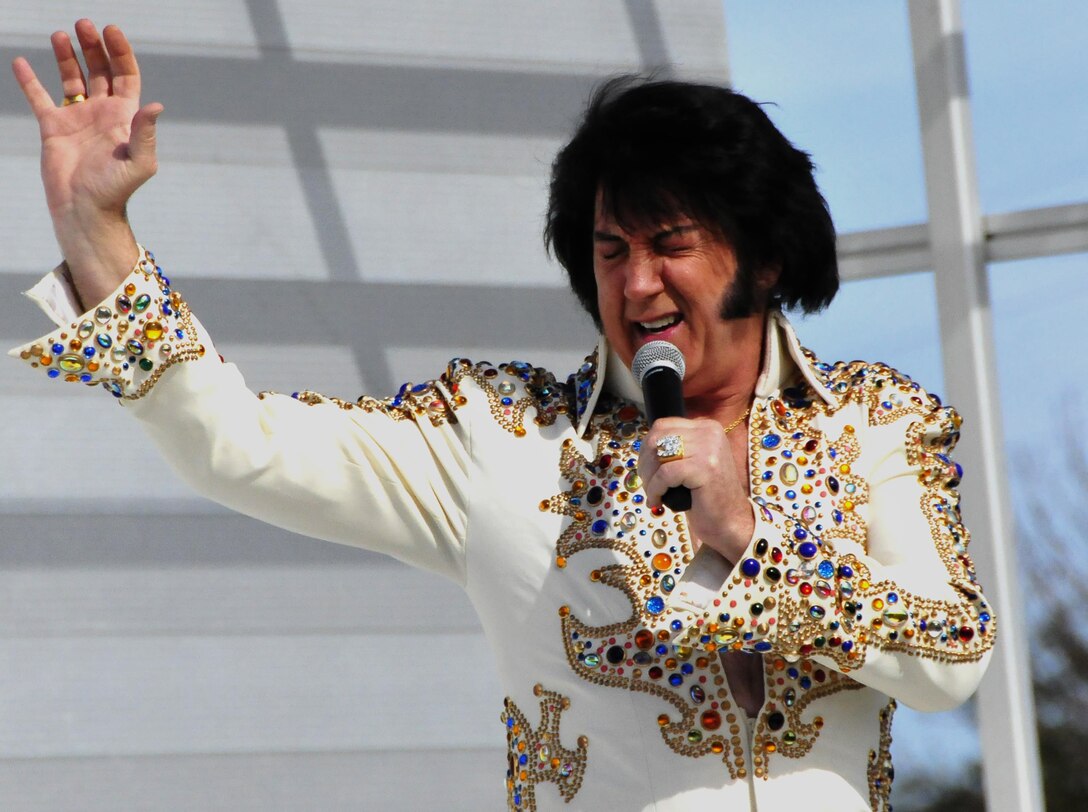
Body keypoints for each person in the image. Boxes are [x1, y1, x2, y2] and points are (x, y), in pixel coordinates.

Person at [10, 20, 995, 812]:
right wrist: (100, 238)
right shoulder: (502, 433)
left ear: (765, 257)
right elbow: (238, 447)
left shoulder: (874, 422)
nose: (636, 281)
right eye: (609, 249)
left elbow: (951, 659)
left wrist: (748, 537)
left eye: (670, 241)